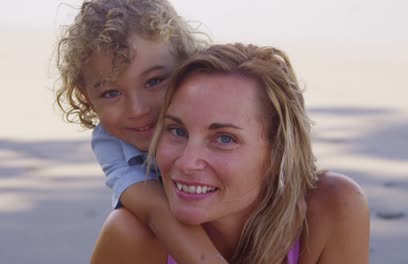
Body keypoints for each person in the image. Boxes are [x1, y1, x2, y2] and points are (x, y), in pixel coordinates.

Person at [91, 43, 370, 263]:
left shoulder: (333, 208)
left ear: (277, 153)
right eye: (177, 131)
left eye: (224, 138)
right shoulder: (131, 238)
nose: (187, 162)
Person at [55, 0, 227, 263]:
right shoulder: (110, 141)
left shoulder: (223, 110)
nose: (136, 110)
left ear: (189, 67)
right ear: (87, 98)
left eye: (154, 81)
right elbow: (154, 209)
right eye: (111, 93)